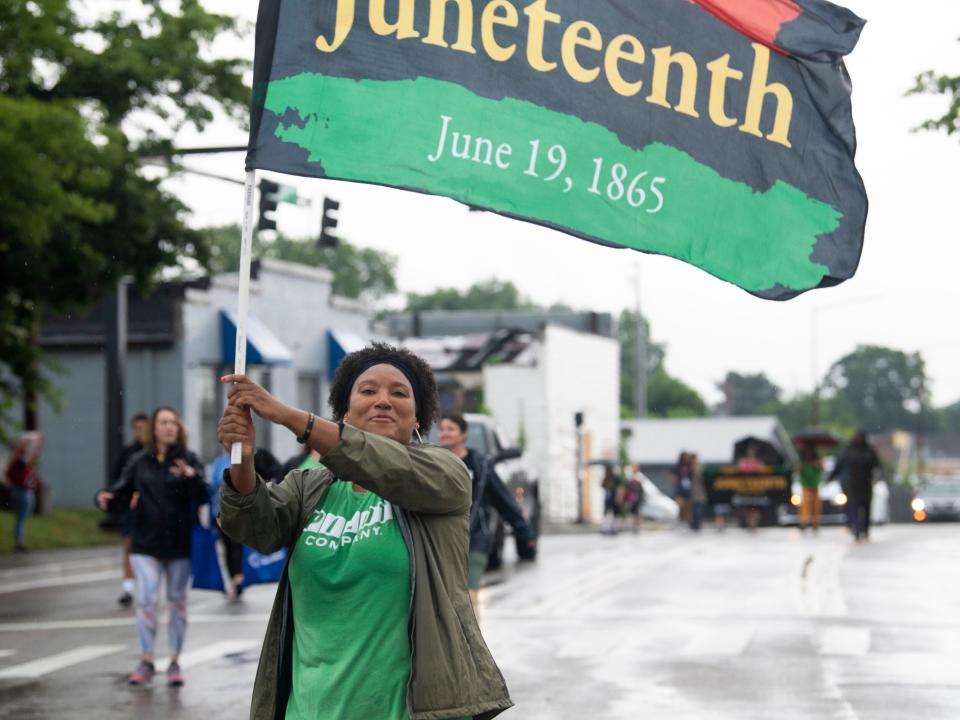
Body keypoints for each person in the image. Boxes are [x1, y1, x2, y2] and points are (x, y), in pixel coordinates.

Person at [216, 343, 513, 720]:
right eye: (368, 391)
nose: (383, 401)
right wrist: (242, 457)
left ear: (418, 417)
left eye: (399, 393)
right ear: (343, 413)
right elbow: (255, 526)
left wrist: (290, 417)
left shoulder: (444, 475)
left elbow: (387, 467)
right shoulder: (308, 487)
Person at [96, 407, 206, 687]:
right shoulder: (139, 461)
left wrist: (191, 476)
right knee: (146, 600)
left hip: (179, 544)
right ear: (154, 429)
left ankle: (174, 661)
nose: (169, 427)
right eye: (163, 422)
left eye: (173, 422)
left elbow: (205, 494)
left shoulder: (188, 459)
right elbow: (120, 491)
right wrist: (104, 497)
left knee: (177, 603)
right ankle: (146, 660)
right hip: (144, 543)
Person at [438, 414, 537, 619]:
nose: (444, 433)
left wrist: (524, 531)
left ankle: (473, 648)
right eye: (442, 429)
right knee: (445, 600)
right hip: (443, 541)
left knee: (470, 594)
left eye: (450, 429)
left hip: (475, 538)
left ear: (463, 435)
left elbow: (503, 500)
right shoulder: (434, 462)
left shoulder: (480, 465)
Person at [110, 412, 149, 607]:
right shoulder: (128, 454)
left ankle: (147, 585)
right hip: (130, 510)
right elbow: (117, 481)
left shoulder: (157, 452)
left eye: (143, 428)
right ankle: (128, 588)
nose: (139, 432)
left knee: (149, 550)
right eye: (136, 428)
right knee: (129, 547)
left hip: (151, 510)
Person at [830, 430, 879, 542]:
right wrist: (831, 477)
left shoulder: (867, 451)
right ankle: (857, 530)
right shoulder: (852, 450)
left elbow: (876, 466)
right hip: (855, 484)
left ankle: (864, 530)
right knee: (855, 508)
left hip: (864, 484)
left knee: (864, 508)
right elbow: (840, 465)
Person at [4, 431, 43, 552]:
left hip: (25, 492)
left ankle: (19, 542)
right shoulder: (17, 463)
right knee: (21, 519)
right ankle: (19, 544)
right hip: (22, 492)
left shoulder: (23, 463)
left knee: (23, 517)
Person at [798, 444, 823, 532]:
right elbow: (797, 470)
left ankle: (815, 523)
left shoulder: (817, 461)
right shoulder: (802, 462)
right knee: (805, 504)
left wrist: (815, 463)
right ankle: (804, 522)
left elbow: (821, 468)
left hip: (815, 485)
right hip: (805, 485)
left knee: (816, 505)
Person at [600, 464, 623, 535]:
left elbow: (620, 488)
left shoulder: (615, 478)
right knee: (608, 514)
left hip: (613, 498)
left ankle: (613, 528)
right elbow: (602, 485)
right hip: (608, 499)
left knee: (615, 514)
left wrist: (619, 497)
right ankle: (608, 528)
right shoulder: (606, 478)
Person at [672, 452, 693, 527]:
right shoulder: (678, 466)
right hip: (680, 488)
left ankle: (687, 522)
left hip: (688, 488)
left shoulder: (690, 466)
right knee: (680, 505)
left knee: (688, 506)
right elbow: (672, 474)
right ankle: (680, 520)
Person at [624, 464, 645, 534]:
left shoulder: (639, 476)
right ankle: (634, 525)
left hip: (637, 496)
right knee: (633, 511)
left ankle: (637, 526)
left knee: (637, 512)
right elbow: (628, 487)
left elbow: (641, 488)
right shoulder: (630, 476)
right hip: (632, 497)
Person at [689, 453, 706, 532]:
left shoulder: (699, 467)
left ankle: (697, 525)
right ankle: (694, 524)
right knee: (694, 510)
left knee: (698, 509)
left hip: (700, 492)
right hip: (693, 493)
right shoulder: (690, 467)